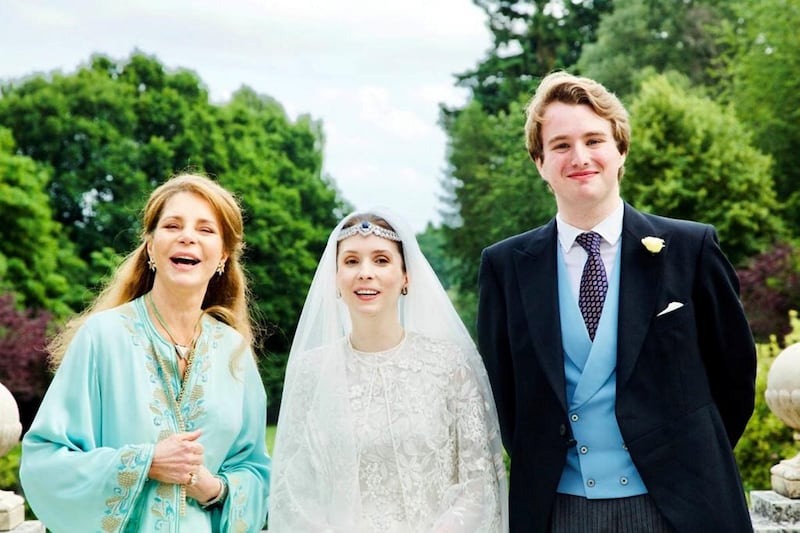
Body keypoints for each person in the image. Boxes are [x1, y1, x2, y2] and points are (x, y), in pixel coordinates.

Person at [477, 71, 757, 532]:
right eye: (562, 145)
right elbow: (504, 394)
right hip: (558, 507)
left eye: (594, 140)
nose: (581, 157)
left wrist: (685, 455)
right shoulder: (505, 266)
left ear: (620, 151)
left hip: (682, 504)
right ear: (539, 161)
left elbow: (735, 375)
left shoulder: (691, 248)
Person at [20, 173, 271, 532]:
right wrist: (145, 462)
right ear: (151, 247)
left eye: (205, 229)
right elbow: (44, 463)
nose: (188, 236)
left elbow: (258, 473)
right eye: (172, 225)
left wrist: (214, 488)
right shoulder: (101, 338)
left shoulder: (235, 354)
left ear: (223, 255)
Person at [268, 208, 508, 532]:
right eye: (351, 261)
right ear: (336, 278)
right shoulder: (311, 372)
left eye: (381, 260)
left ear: (406, 276)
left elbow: (478, 484)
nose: (366, 272)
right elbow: (292, 490)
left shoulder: (450, 366)